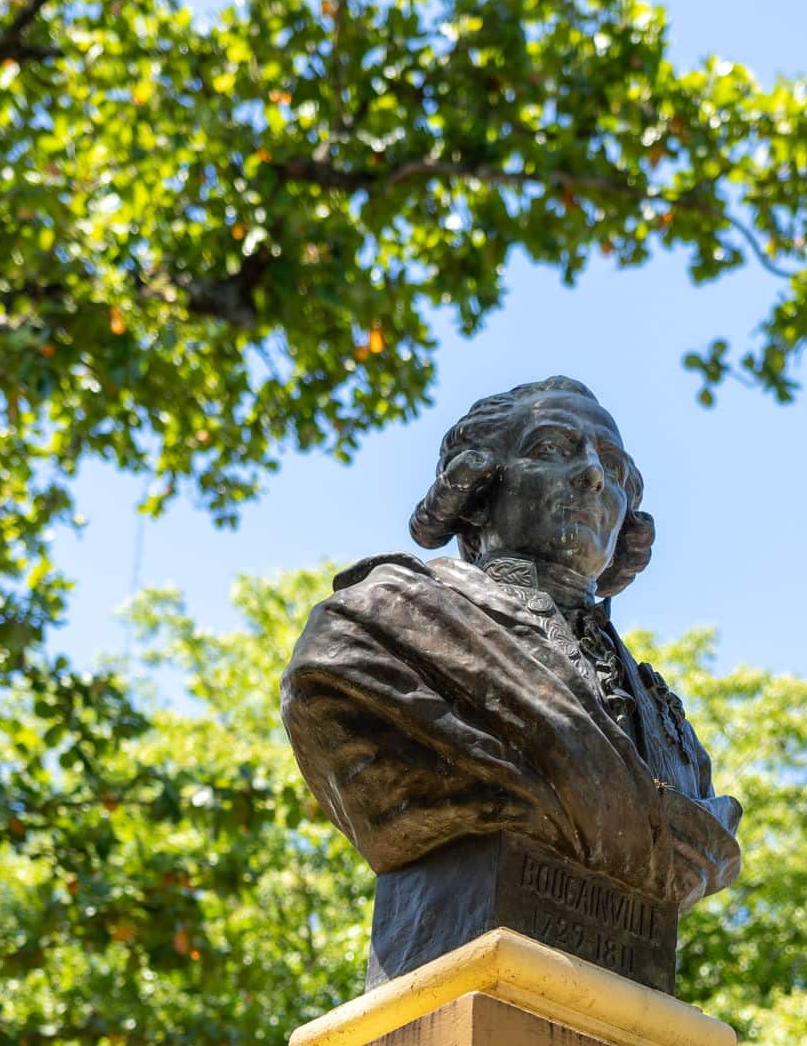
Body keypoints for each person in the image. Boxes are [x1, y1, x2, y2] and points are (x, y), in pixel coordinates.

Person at [280, 376, 741, 910]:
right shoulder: (377, 627)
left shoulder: (665, 717)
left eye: (612, 468)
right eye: (551, 449)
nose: (593, 475)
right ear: (476, 492)